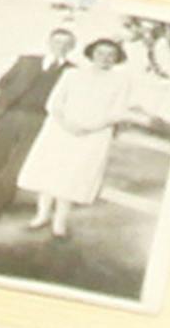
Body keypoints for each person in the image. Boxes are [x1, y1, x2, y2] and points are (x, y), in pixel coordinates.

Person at [17, 33, 135, 239]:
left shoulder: (121, 81)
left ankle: (59, 223)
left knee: (72, 176)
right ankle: (42, 215)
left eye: (111, 55)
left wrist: (89, 127)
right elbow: (54, 103)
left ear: (117, 59)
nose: (104, 58)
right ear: (91, 53)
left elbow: (118, 112)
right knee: (50, 171)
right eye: (100, 53)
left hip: (93, 135)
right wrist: (66, 124)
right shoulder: (72, 74)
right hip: (60, 129)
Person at [0, 26, 75, 220]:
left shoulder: (72, 71)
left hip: (41, 122)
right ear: (49, 42)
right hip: (11, 115)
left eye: (65, 43)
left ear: (71, 47)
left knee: (18, 165)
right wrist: (5, 103)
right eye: (57, 41)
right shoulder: (27, 61)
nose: (60, 46)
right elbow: (4, 81)